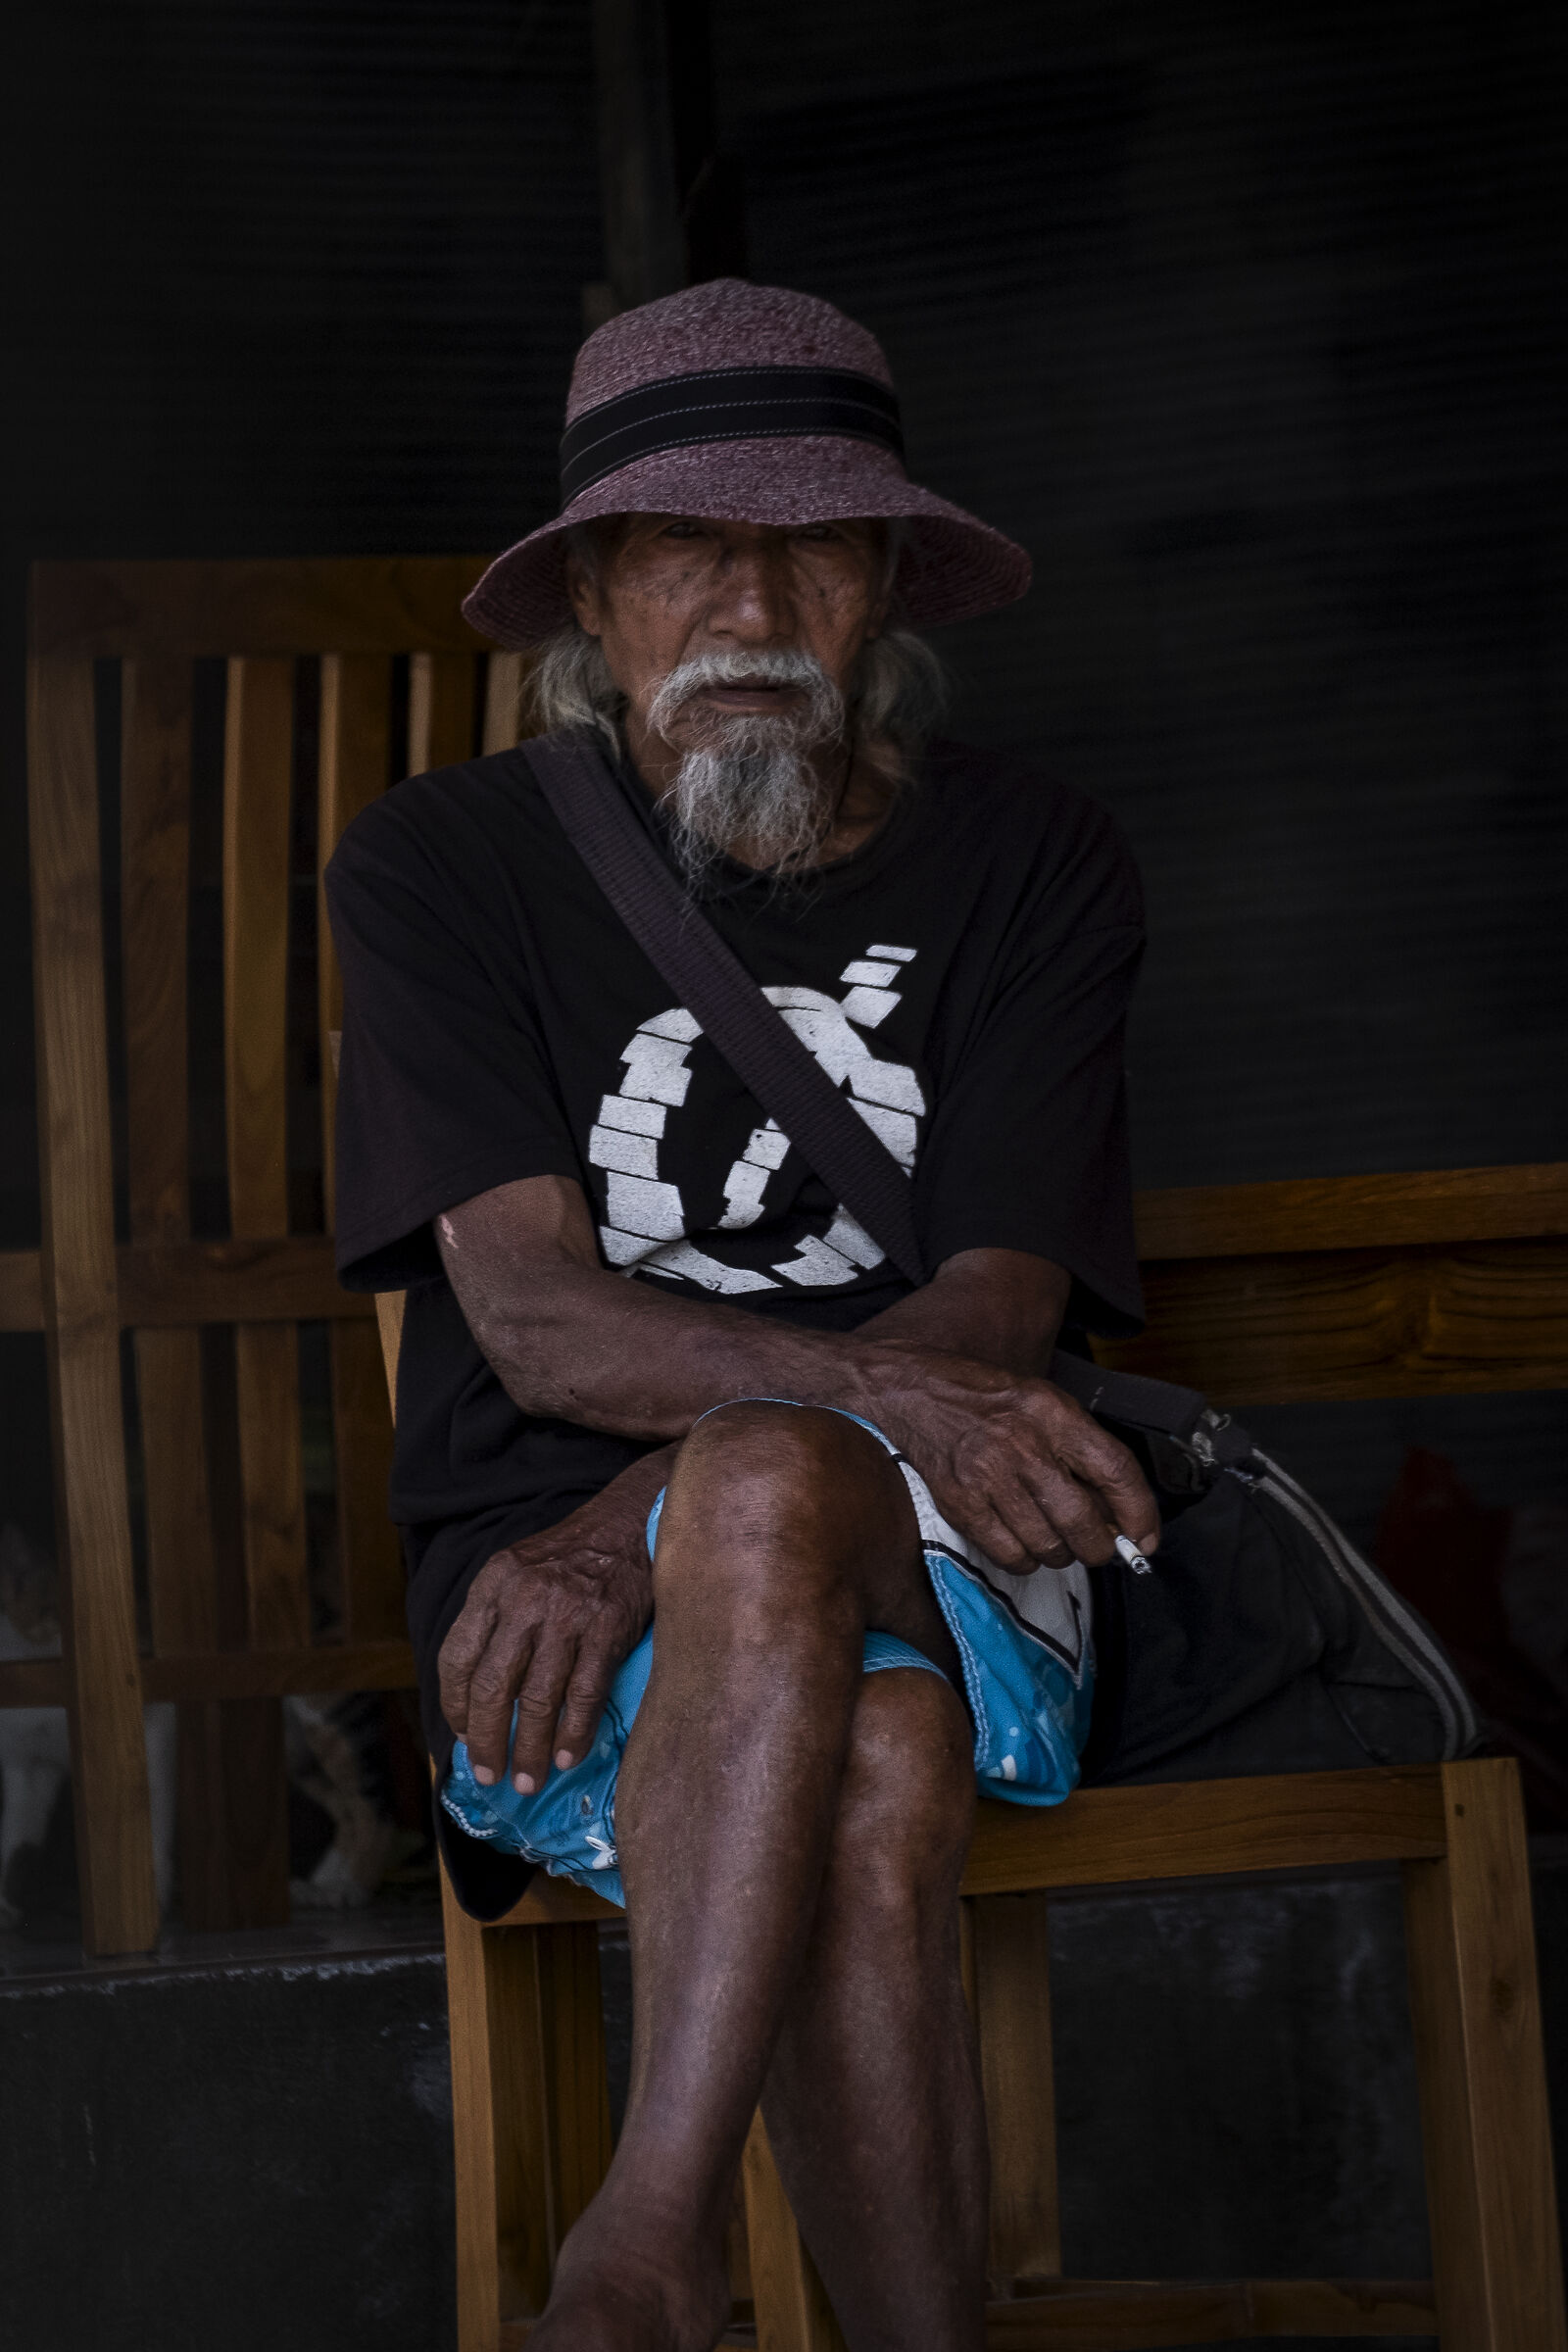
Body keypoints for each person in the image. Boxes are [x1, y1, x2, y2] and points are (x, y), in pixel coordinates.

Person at [327, 277, 1159, 2352]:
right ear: (592, 600)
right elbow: (532, 1321)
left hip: (934, 1536)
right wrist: (714, 1478)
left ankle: (642, 2246)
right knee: (869, 1745)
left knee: (777, 1484)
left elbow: (992, 1298)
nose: (749, 602)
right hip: (548, 1631)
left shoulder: (1038, 863)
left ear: (884, 587)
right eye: (685, 547)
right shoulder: (439, 868)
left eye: (808, 543)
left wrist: (650, 1522)